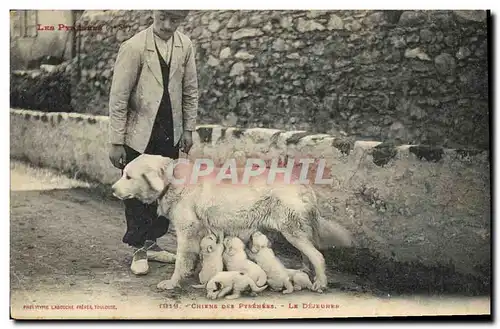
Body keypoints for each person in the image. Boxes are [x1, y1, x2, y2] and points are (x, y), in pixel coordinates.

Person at [108, 10, 198, 275]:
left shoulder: (185, 45)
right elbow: (119, 97)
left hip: (170, 131)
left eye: (175, 20)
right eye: (162, 19)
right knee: (137, 191)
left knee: (164, 190)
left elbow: (191, 90)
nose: (167, 26)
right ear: (153, 14)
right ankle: (138, 249)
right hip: (138, 133)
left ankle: (153, 243)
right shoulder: (134, 46)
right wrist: (116, 141)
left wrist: (189, 129)